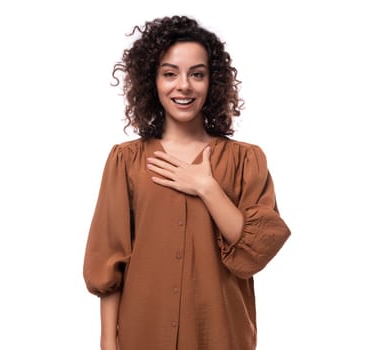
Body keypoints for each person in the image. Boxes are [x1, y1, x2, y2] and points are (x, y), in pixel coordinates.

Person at [83, 15, 291, 350]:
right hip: (142, 334)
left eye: (197, 74)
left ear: (213, 81)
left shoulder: (245, 160)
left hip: (221, 334)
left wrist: (207, 188)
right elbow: (109, 262)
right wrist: (108, 344)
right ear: (152, 81)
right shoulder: (126, 161)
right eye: (170, 73)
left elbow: (257, 251)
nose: (184, 85)